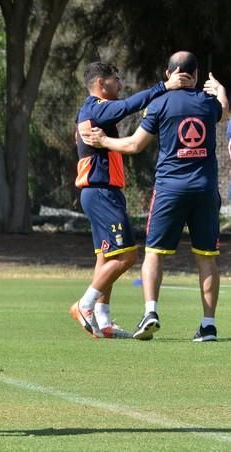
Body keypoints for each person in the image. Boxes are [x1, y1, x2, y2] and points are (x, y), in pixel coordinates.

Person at [83, 51, 229, 341]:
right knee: (207, 257)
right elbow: (224, 111)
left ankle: (151, 311)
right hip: (205, 189)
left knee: (154, 254)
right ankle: (208, 325)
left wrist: (104, 141)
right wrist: (222, 91)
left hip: (169, 190)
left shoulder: (160, 103)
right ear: (196, 76)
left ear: (168, 74)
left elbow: (135, 145)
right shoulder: (208, 104)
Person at [69, 62, 192, 339]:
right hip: (101, 192)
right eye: (116, 79)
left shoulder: (94, 111)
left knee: (106, 256)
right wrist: (164, 87)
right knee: (127, 255)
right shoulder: (94, 107)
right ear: (101, 83)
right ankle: (84, 304)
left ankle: (103, 319)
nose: (121, 84)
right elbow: (127, 106)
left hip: (102, 192)